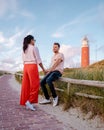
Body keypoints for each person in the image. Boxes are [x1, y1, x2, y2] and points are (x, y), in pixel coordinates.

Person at [20, 35, 45, 111]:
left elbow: (23, 60)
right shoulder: (34, 48)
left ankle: (26, 102)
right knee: (35, 84)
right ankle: (29, 101)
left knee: (26, 85)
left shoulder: (24, 49)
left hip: (26, 67)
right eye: (34, 40)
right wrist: (43, 69)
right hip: (32, 66)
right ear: (31, 40)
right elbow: (38, 60)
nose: (34, 41)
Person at [39, 43, 64, 107]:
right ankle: (47, 99)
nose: (54, 48)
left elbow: (57, 63)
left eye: (55, 47)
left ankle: (55, 97)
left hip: (58, 72)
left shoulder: (61, 55)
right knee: (41, 82)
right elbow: (51, 66)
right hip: (51, 71)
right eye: (53, 47)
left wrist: (49, 70)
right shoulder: (53, 57)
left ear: (58, 48)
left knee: (48, 80)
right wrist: (46, 71)